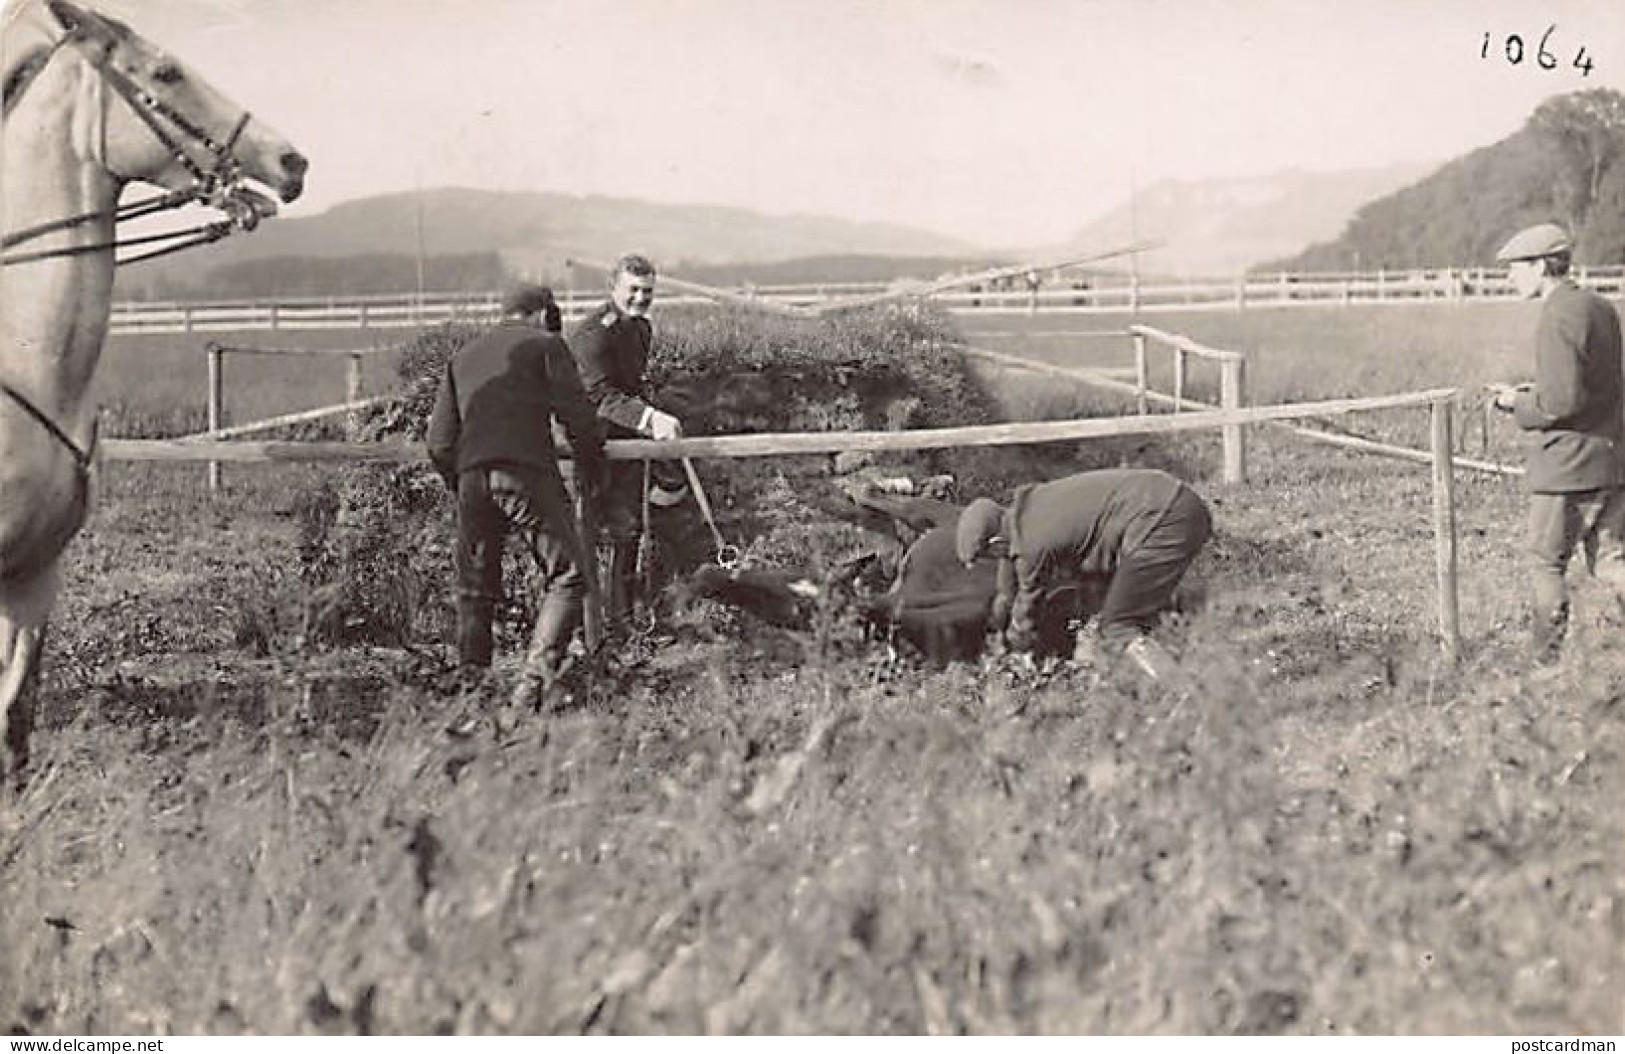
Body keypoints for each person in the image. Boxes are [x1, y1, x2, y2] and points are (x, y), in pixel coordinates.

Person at [426, 283, 606, 710]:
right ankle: (532, 685)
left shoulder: (463, 357)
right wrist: (592, 466)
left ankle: (472, 693)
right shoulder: (546, 345)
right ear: (543, 314)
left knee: (474, 589)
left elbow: (439, 444)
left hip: (472, 479)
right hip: (526, 472)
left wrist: (462, 482)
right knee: (569, 574)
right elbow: (578, 418)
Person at [1489, 222, 1625, 661]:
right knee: (1611, 562)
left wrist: (1516, 402)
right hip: (1609, 461)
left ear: (1540, 266)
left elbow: (1561, 401)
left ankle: (1545, 663)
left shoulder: (1556, 315)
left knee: (1546, 563)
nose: (1510, 277)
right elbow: (1593, 385)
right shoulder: (1599, 307)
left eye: (1515, 268)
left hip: (1566, 468)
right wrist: (1539, 390)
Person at [955, 468, 1210, 682]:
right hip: (1168, 499)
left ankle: (1180, 690)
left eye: (988, 556)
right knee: (1112, 600)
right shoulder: (1029, 510)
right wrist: (1001, 611)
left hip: (1163, 519)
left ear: (995, 542)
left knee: (1118, 625)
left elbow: (1027, 606)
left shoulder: (1032, 546)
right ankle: (1186, 642)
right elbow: (1008, 584)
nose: (995, 560)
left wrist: (1017, 650)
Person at [569, 254, 687, 623]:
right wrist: (649, 419)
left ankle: (622, 620)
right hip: (587, 448)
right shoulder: (593, 334)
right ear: (612, 288)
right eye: (632, 289)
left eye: (647, 291)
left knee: (629, 530)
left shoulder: (641, 330)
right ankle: (584, 632)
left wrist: (652, 418)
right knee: (583, 538)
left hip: (627, 444)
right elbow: (599, 396)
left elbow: (631, 387)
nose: (640, 298)